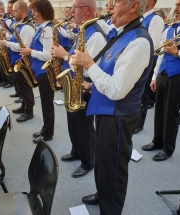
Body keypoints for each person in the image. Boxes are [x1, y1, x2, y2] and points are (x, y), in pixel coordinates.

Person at [70, 0, 153, 213]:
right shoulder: (122, 33)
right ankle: (102, 194)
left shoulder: (139, 41)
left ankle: (110, 208)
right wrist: (91, 84)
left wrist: (89, 64)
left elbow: (117, 90)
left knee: (113, 170)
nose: (109, 6)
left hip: (118, 116)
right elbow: (110, 72)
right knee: (104, 164)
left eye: (116, 1)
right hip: (105, 109)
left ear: (134, 5)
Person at [51, 0, 107, 178]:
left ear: (88, 10)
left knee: (84, 127)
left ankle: (88, 161)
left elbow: (88, 66)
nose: (72, 12)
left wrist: (64, 55)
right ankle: (77, 151)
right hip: (75, 83)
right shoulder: (84, 30)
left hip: (85, 86)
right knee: (73, 122)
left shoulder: (96, 35)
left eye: (75, 8)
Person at [141, 0, 180, 161]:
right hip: (164, 73)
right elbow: (160, 54)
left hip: (178, 75)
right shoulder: (169, 28)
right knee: (159, 111)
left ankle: (168, 148)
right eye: (176, 5)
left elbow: (172, 51)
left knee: (170, 113)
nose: (176, 8)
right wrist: (154, 77)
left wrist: (177, 52)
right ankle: (157, 141)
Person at [20, 0, 55, 141]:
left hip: (45, 72)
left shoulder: (48, 29)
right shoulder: (42, 27)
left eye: (35, 11)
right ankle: (45, 129)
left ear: (42, 11)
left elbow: (48, 56)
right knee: (45, 103)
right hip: (40, 71)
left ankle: (48, 134)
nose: (32, 14)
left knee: (47, 104)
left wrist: (30, 52)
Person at [0, 1, 35, 122]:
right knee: (21, 87)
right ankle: (24, 106)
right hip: (16, 60)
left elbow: (24, 48)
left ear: (22, 12)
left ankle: (29, 112)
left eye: (15, 11)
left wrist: (7, 43)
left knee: (25, 88)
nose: (12, 13)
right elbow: (16, 40)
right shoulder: (19, 25)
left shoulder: (27, 27)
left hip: (23, 62)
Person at [134, 0, 164, 134]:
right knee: (136, 93)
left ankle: (139, 123)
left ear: (150, 2)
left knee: (143, 94)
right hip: (137, 60)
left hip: (147, 61)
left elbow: (155, 44)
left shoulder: (156, 19)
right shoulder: (141, 18)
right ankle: (134, 119)